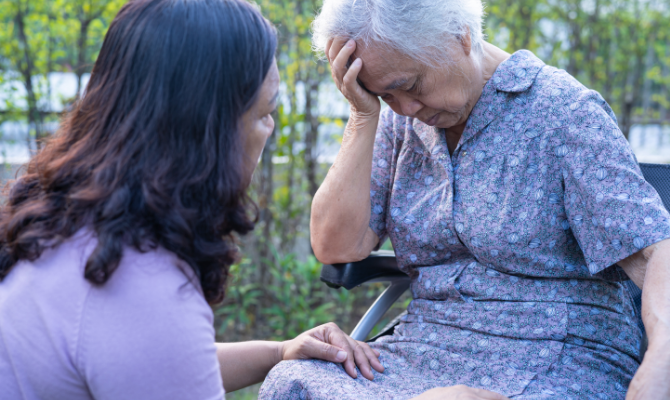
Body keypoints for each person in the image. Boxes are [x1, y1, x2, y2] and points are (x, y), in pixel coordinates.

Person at [259, 0, 670, 399]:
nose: (404, 108)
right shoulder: (400, 122)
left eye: (410, 86)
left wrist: (661, 361)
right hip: (425, 346)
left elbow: (655, 253)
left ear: (461, 35)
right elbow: (336, 246)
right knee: (293, 381)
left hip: (557, 354)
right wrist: (364, 115)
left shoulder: (563, 113)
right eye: (385, 95)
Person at [0, 0, 386, 399]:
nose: (269, 129)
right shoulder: (141, 283)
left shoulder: (65, 223)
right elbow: (153, 341)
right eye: (264, 112)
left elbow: (149, 364)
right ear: (208, 133)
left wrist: (279, 352)